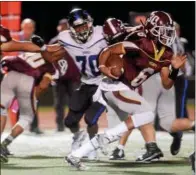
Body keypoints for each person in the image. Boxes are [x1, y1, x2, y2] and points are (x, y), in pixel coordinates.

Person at [65, 11, 189, 170]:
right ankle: (95, 145)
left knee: (126, 125)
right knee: (147, 114)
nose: (167, 34)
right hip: (114, 86)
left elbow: (166, 84)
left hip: (125, 89)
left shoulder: (167, 52)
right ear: (153, 29)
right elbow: (109, 50)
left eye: (168, 31)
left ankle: (77, 154)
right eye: (163, 30)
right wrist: (103, 67)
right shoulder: (141, 41)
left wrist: (173, 70)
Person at [58, 8, 107, 158]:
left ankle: (93, 146)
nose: (82, 29)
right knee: (70, 121)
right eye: (78, 27)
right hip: (86, 83)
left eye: (84, 25)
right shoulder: (64, 38)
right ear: (71, 29)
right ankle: (78, 137)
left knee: (90, 119)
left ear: (90, 23)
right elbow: (50, 51)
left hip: (105, 83)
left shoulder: (102, 33)